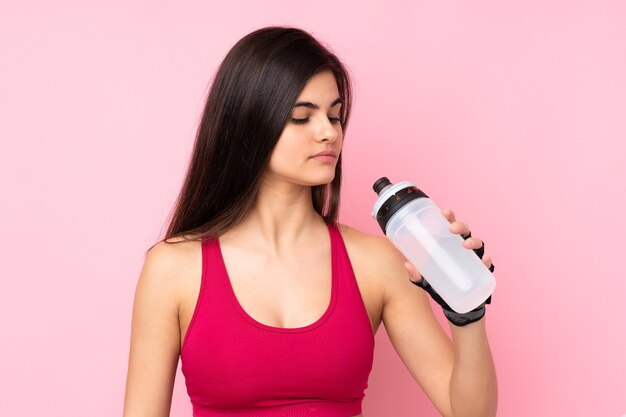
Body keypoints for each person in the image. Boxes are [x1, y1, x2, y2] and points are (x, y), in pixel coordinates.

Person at [123, 26, 498, 417]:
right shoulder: (173, 269)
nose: (329, 133)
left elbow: (470, 413)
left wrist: (466, 311)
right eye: (302, 118)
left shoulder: (377, 262)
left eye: (334, 116)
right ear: (249, 125)